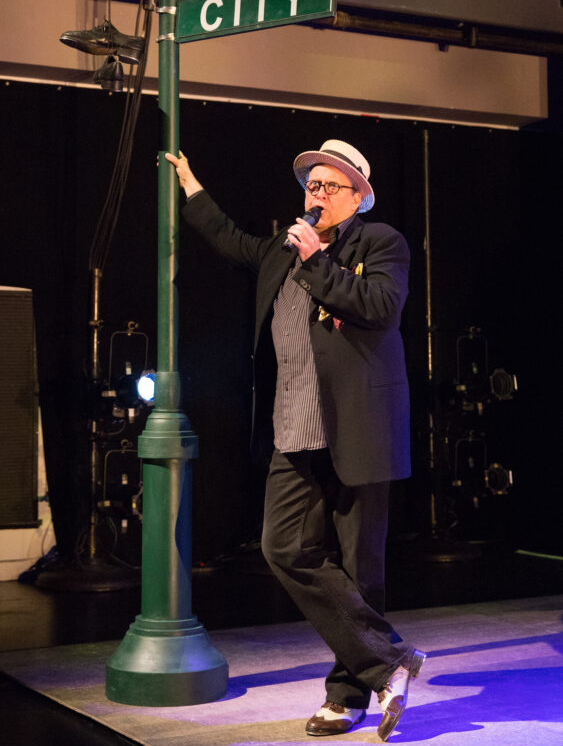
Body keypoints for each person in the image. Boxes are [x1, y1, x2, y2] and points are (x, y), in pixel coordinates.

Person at [166, 138, 425, 740]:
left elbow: (380, 306)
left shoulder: (381, 242)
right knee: (282, 546)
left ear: (359, 196)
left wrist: (317, 261)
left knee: (361, 567)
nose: (316, 193)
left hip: (357, 426)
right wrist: (192, 189)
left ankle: (346, 695)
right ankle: (390, 662)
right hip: (294, 427)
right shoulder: (283, 253)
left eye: (329, 185)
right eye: (311, 184)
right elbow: (232, 241)